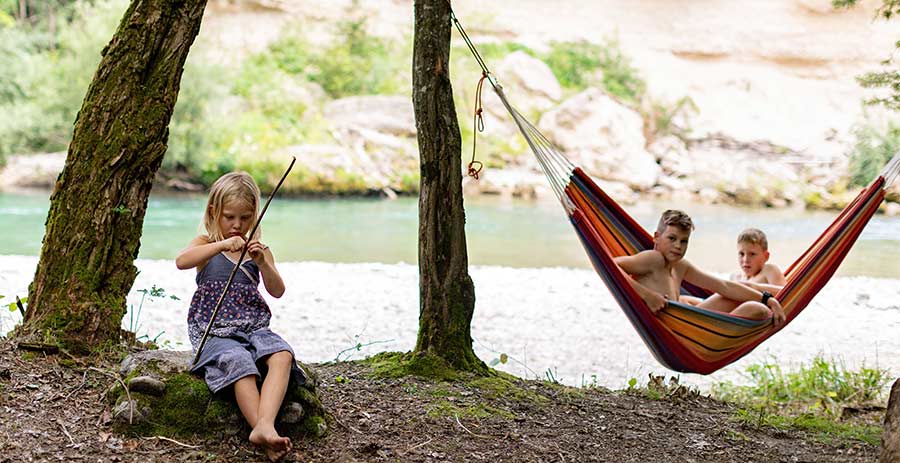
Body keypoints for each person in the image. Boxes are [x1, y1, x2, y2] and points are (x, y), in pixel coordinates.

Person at [176, 171, 302, 462]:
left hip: (253, 326)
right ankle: (267, 436)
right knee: (240, 361)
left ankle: (263, 426)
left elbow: (277, 290)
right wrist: (220, 245)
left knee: (281, 355)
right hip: (214, 330)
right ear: (214, 212)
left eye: (245, 218)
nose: (237, 225)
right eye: (229, 217)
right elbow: (182, 261)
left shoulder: (260, 249)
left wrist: (263, 263)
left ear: (255, 214)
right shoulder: (206, 242)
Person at [613, 210, 786, 326]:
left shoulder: (680, 265)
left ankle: (718, 334)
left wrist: (768, 299)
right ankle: (717, 337)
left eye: (684, 241)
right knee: (757, 310)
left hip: (690, 327)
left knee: (752, 303)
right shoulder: (653, 258)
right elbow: (611, 266)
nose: (678, 246)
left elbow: (724, 286)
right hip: (678, 334)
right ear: (656, 237)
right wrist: (647, 296)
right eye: (672, 238)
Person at [730, 227, 786, 294]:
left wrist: (756, 287)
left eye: (752, 254)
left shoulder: (769, 270)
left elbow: (786, 292)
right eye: (741, 254)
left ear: (766, 256)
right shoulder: (735, 277)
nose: (745, 260)